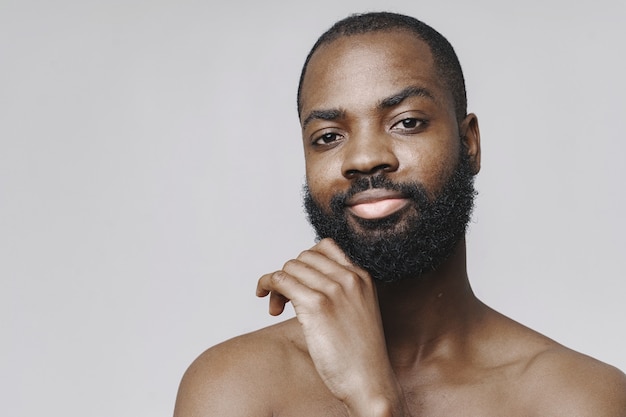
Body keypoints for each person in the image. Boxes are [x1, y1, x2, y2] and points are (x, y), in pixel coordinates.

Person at [173, 12, 626, 417]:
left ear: (469, 143)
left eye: (407, 122)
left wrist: (376, 402)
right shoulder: (235, 388)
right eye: (328, 136)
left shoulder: (579, 399)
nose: (365, 158)